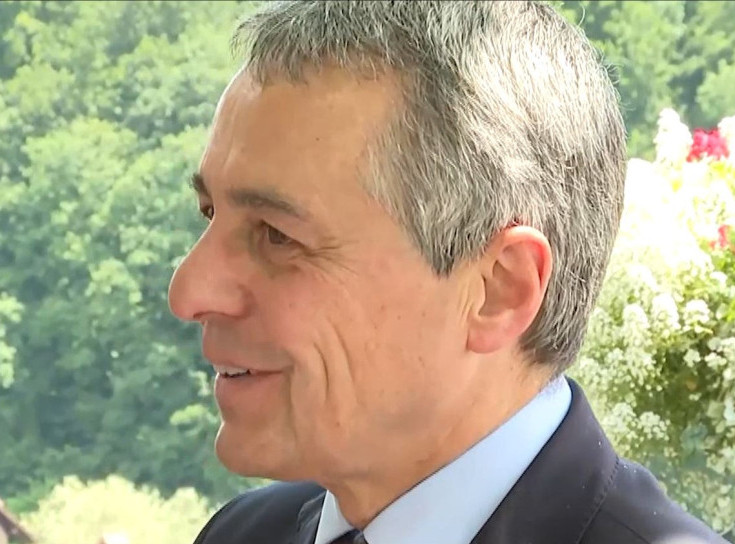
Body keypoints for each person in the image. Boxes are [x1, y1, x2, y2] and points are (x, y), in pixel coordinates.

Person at [167, 1, 727, 543]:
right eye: (210, 213)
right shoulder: (241, 533)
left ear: (499, 290)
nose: (188, 292)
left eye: (277, 235)